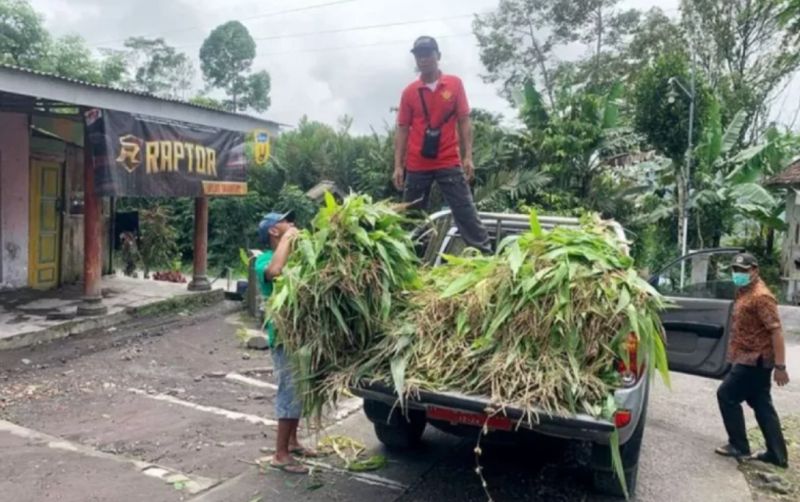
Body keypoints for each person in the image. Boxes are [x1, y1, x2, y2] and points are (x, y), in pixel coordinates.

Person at [393, 35, 491, 254]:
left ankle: (486, 257)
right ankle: (408, 261)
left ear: (438, 56)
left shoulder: (454, 85)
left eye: (428, 54)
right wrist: (398, 166)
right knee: (410, 217)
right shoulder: (409, 92)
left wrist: (468, 157)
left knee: (465, 211)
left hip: (448, 160)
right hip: (417, 164)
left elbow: (464, 120)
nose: (423, 59)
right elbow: (402, 128)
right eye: (419, 55)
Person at [255, 211, 316, 474]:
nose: (292, 224)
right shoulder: (263, 261)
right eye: (285, 222)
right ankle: (280, 454)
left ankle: (292, 442)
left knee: (300, 392)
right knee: (289, 392)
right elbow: (276, 271)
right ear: (273, 231)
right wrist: (289, 238)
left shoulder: (300, 257)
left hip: (302, 334)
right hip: (284, 337)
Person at [715, 253, 789, 468]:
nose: (738, 274)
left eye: (743, 270)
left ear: (754, 270)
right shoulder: (743, 291)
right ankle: (777, 454)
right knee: (761, 403)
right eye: (735, 270)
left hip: (755, 360)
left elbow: (776, 332)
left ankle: (738, 445)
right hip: (746, 357)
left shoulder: (761, 296)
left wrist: (780, 367)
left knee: (726, 395)